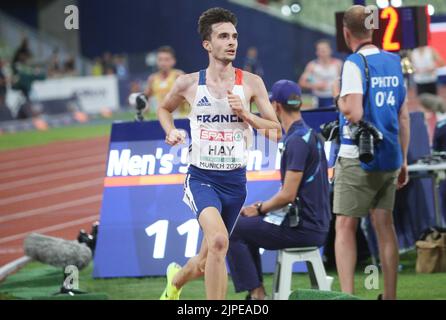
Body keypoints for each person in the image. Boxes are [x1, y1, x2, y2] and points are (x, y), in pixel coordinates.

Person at [157, 7, 282, 300]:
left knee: (205, 261)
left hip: (235, 183)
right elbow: (164, 108)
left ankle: (174, 283)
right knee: (217, 241)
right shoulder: (188, 83)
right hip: (201, 178)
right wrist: (170, 130)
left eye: (234, 36)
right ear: (207, 44)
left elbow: (276, 132)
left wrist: (247, 116)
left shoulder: (252, 83)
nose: (232, 42)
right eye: (223, 36)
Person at [226, 80, 331, 300]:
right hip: (315, 223)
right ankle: (257, 293)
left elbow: (287, 195)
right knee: (243, 227)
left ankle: (257, 296)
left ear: (276, 106)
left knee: (234, 228)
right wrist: (245, 115)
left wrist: (259, 208)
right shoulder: (307, 135)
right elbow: (277, 137)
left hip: (304, 228)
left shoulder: (297, 142)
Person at [333, 5, 410, 300]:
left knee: (344, 226)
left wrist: (339, 97)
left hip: (357, 159)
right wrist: (403, 159)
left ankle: (349, 296)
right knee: (384, 225)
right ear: (373, 28)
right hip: (390, 157)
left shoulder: (353, 63)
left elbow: (353, 112)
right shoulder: (394, 62)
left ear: (345, 32)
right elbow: (403, 115)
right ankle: (389, 296)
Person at [144, 46, 187, 117]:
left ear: (173, 61)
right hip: (162, 118)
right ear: (157, 61)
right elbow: (145, 97)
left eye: (166, 60)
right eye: (160, 59)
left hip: (179, 117)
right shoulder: (152, 78)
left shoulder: (178, 75)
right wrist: (146, 106)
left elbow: (190, 95)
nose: (163, 63)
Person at [299, 39, 342, 108]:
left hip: (334, 98)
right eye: (320, 49)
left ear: (330, 50)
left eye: (325, 49)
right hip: (317, 99)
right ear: (317, 52)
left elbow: (345, 82)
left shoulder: (338, 64)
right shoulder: (312, 65)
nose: (323, 51)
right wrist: (315, 85)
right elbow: (302, 83)